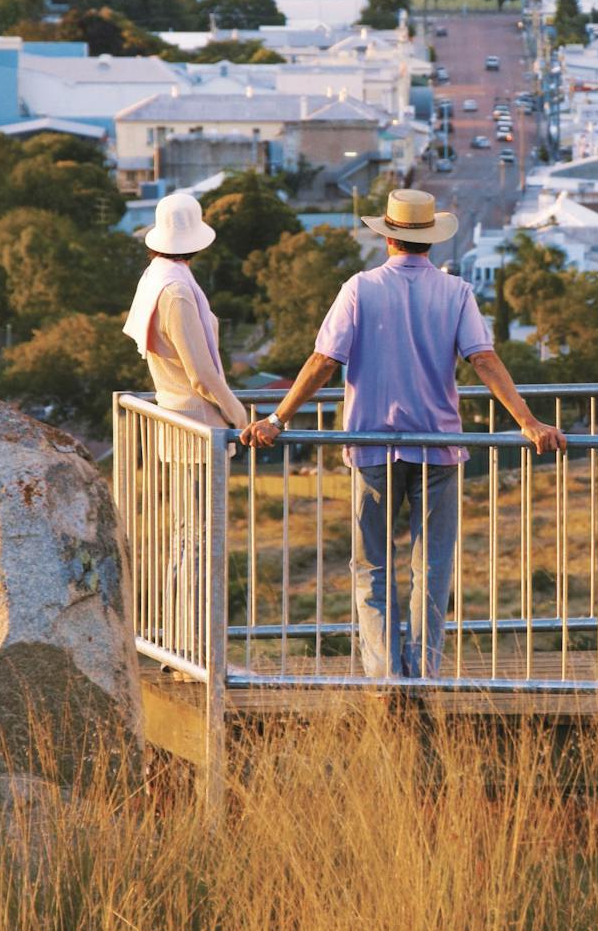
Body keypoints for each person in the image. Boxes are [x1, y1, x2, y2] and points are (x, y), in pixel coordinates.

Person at [242, 188, 564, 680]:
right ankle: (425, 671)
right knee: (431, 569)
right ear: (430, 239)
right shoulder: (456, 293)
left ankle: (386, 673)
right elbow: (484, 360)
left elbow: (322, 362)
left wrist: (277, 420)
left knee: (372, 566)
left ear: (387, 235)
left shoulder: (360, 288)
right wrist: (529, 422)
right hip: (438, 448)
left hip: (373, 447)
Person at [123, 191, 245, 433]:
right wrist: (239, 416)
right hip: (199, 426)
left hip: (174, 419)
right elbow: (201, 374)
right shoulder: (176, 291)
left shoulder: (154, 278)